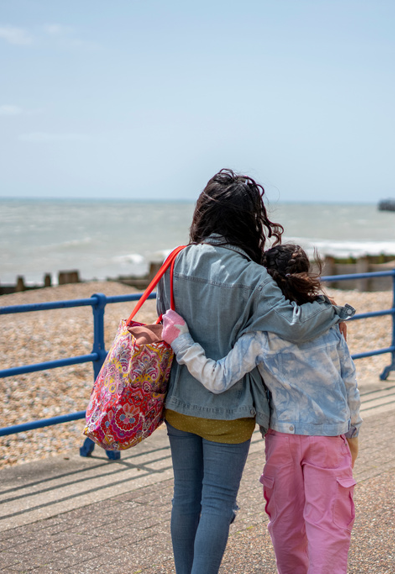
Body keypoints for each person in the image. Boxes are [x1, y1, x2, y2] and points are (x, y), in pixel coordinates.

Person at [154, 169, 352, 574]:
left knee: (184, 498)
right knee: (216, 502)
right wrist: (334, 311)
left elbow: (166, 323)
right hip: (229, 409)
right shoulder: (253, 275)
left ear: (204, 212)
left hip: (179, 402)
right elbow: (293, 325)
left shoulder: (174, 262)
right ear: (251, 219)